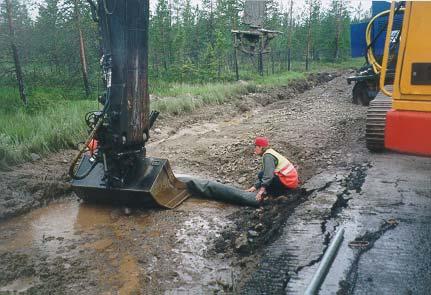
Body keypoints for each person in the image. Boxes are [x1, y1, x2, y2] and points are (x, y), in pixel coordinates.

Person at [246, 136, 299, 202]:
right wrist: (255, 187)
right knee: (262, 174)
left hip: (289, 182)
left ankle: (276, 195)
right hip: (291, 180)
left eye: (255, 146)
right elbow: (266, 172)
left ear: (261, 147)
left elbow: (268, 176)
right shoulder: (270, 152)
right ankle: (274, 194)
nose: (254, 149)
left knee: (262, 175)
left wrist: (260, 192)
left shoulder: (268, 156)